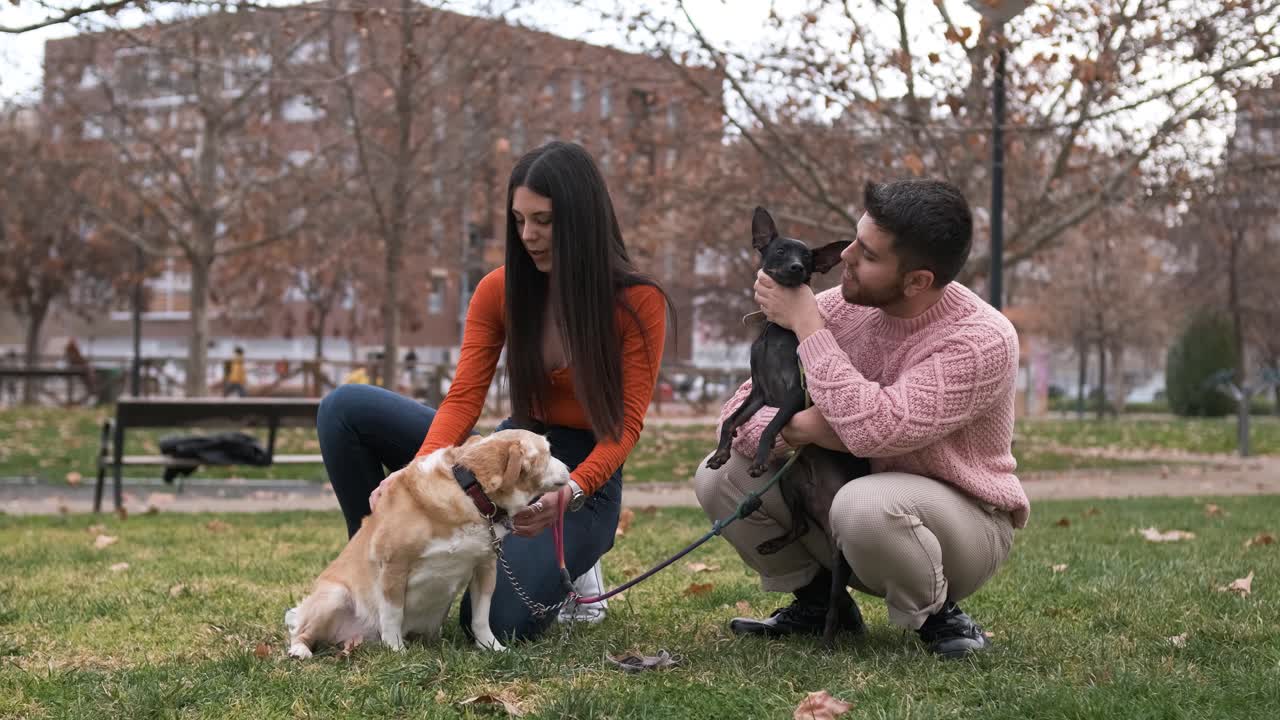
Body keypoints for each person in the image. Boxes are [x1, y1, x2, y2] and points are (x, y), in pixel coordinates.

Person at [315, 141, 668, 642]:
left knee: (503, 623)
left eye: (544, 221)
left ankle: (577, 572)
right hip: (508, 453)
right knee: (345, 409)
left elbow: (625, 426)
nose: (529, 236)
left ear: (583, 220)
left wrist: (570, 492)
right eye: (519, 220)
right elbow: (463, 397)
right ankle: (383, 572)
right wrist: (412, 476)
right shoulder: (499, 289)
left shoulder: (638, 302)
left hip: (582, 474)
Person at [693, 179, 1028, 659]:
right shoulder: (837, 308)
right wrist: (807, 428)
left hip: (961, 522)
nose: (846, 256)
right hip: (847, 508)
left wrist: (808, 328)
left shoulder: (981, 339)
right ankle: (816, 604)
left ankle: (940, 617)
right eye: (854, 239)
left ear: (917, 280)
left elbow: (877, 430)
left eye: (868, 255)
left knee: (865, 504)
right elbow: (740, 410)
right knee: (720, 474)